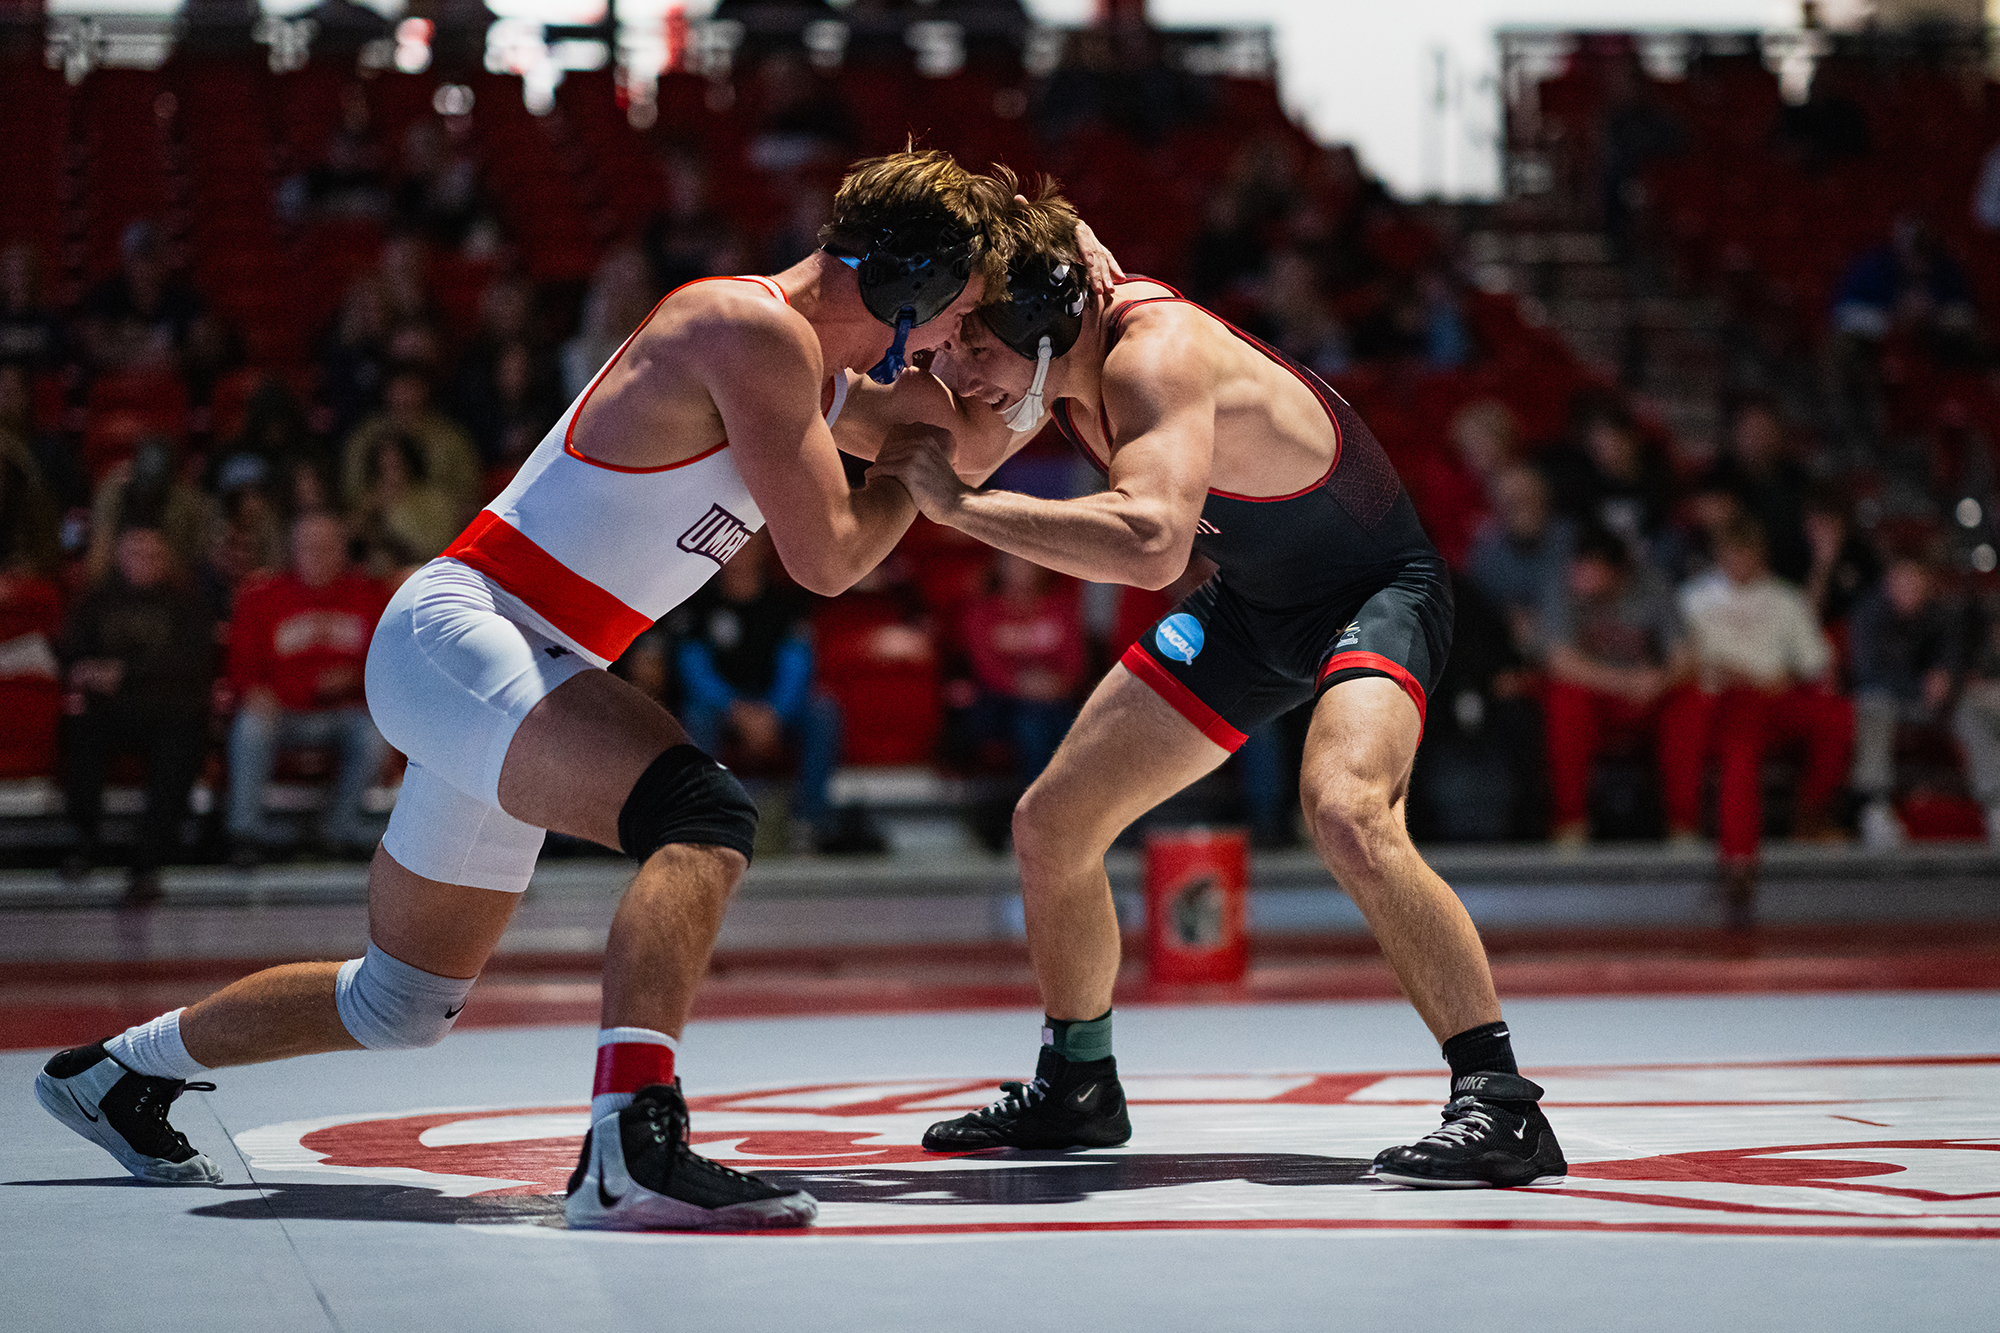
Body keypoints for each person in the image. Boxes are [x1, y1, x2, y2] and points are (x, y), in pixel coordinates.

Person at [36, 151, 1117, 1230]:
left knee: (399, 1001)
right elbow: (832, 558)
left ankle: (115, 1073)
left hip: (509, 663)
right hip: (470, 635)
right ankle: (629, 1142)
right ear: (908, 287)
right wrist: (911, 464)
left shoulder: (818, 379)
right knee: (702, 815)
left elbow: (963, 441)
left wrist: (1049, 322)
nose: (946, 346)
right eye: (953, 315)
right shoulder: (744, 331)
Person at [855, 180, 1567, 1189]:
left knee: (1347, 811)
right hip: (1251, 604)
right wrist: (784, 388)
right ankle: (1078, 1082)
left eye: (969, 346)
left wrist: (962, 510)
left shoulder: (1156, 352)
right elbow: (923, 425)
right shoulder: (1054, 352)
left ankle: (1500, 1103)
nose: (951, 368)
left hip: (1371, 591)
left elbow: (1148, 547)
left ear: (1043, 321)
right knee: (1051, 822)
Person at [1677, 516, 1851, 916]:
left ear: (1761, 555)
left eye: (1747, 552)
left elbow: (1815, 663)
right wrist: (1737, 675)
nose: (1738, 560)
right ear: (1719, 556)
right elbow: (1683, 661)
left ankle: (1810, 815)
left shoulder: (1785, 599)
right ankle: (1739, 861)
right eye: (1731, 552)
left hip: (1775, 698)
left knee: (1837, 715)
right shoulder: (1694, 598)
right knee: (1741, 739)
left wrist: (1786, 677)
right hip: (1718, 705)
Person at [57, 525, 216, 903]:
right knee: (77, 728)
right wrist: (87, 670)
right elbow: (70, 651)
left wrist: (125, 673)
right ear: (119, 557)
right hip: (108, 710)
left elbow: (192, 664)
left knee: (181, 739)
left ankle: (149, 858)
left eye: (153, 555)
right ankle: (84, 842)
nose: (144, 562)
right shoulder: (96, 602)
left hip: (169, 710)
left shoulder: (187, 605)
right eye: (135, 553)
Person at [224, 512, 391, 861]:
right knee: (250, 724)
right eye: (309, 548)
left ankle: (339, 828)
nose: (318, 556)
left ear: (343, 551)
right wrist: (253, 690)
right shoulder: (262, 598)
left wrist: (355, 676)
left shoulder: (370, 597)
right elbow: (239, 666)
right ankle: (244, 833)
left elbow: (391, 665)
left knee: (375, 736)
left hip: (345, 713)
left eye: (327, 548)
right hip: (280, 713)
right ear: (293, 551)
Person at [672, 531, 843, 850]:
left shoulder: (786, 601)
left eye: (751, 542)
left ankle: (808, 821)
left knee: (823, 710)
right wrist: (736, 709)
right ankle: (703, 822)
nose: (742, 551)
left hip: (775, 704)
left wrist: (774, 713)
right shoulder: (698, 603)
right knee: (693, 718)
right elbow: (694, 669)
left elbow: (797, 663)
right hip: (722, 706)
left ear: (765, 547)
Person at [1540, 524, 1699, 848]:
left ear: (1617, 571)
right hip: (1597, 695)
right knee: (1564, 698)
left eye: (1591, 567)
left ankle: (1683, 828)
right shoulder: (1563, 586)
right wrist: (1625, 683)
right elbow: (1560, 661)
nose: (1580, 574)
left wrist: (1660, 681)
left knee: (1688, 702)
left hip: (1648, 697)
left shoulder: (1653, 587)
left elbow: (1684, 656)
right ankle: (1572, 825)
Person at [1847, 552, 1968, 848]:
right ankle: (1875, 807)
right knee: (1873, 706)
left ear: (1927, 585)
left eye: (1916, 585)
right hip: (1886, 701)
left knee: (1975, 709)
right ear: (1889, 583)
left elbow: (1955, 659)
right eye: (1903, 583)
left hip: (1933, 705)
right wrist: (1921, 686)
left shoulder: (1940, 615)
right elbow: (1868, 675)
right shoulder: (1867, 615)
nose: (1909, 591)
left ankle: (1995, 803)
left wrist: (1947, 676)